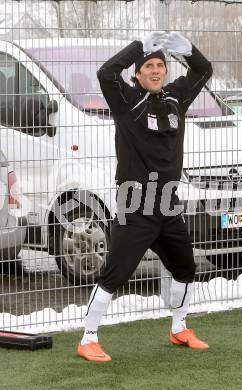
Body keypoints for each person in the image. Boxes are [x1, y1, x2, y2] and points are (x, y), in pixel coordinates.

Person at [77, 31, 213, 362]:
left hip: (168, 204)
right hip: (134, 204)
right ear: (137, 74)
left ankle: (179, 328)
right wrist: (139, 46)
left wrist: (189, 51)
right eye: (148, 66)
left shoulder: (176, 97)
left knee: (185, 268)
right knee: (116, 274)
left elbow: (203, 71)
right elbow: (105, 72)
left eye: (160, 65)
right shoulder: (125, 100)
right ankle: (88, 339)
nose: (155, 70)